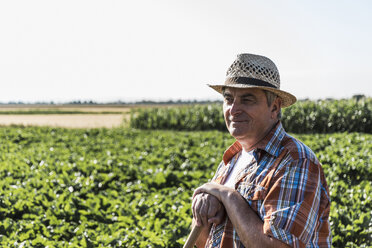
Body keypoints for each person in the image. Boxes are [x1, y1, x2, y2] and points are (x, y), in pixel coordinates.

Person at [191, 53, 331, 248]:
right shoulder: (233, 159)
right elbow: (205, 241)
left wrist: (228, 196)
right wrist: (202, 211)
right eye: (229, 99)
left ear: (274, 108)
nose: (233, 109)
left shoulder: (295, 161)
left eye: (247, 100)